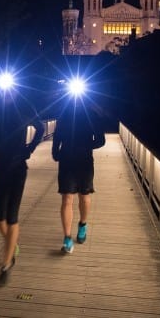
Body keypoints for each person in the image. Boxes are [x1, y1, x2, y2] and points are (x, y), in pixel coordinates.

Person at [0, 72, 44, 285]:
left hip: (17, 168)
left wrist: (29, 149)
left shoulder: (24, 105)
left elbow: (40, 128)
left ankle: (6, 265)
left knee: (12, 216)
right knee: (0, 218)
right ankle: (11, 244)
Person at [51, 88, 108, 254]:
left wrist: (86, 146)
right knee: (67, 197)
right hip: (67, 160)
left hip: (84, 161)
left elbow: (101, 140)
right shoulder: (64, 115)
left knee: (84, 195)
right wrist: (55, 152)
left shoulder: (92, 115)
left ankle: (82, 224)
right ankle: (67, 238)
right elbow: (57, 135)